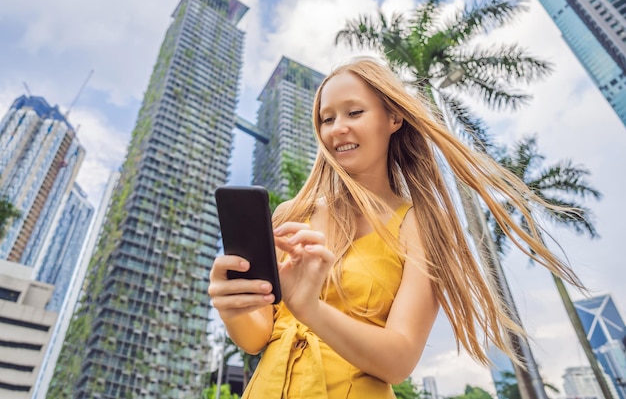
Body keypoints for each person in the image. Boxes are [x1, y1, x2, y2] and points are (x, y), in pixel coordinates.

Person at [208, 57, 583, 398]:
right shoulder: (293, 212)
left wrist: (309, 308)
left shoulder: (421, 224)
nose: (338, 128)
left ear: (393, 118)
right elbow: (258, 338)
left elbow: (399, 360)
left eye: (354, 112)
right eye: (327, 119)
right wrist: (232, 305)